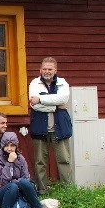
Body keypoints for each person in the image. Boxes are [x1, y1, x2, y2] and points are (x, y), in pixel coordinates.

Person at [29, 57, 73, 193]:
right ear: (40, 70)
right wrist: (56, 106)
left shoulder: (63, 83)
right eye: (44, 69)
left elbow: (63, 98)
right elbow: (34, 106)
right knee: (40, 161)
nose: (47, 71)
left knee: (64, 160)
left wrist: (41, 99)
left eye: (50, 69)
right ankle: (42, 189)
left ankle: (68, 190)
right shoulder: (34, 83)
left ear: (55, 70)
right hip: (40, 127)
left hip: (60, 128)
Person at [0, 132, 44, 208]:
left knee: (23, 183)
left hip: (17, 189)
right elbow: (1, 182)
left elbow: (26, 178)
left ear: (16, 146)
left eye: (12, 146)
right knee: (12, 186)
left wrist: (15, 182)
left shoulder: (20, 158)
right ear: (2, 146)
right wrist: (9, 162)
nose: (9, 149)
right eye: (7, 145)